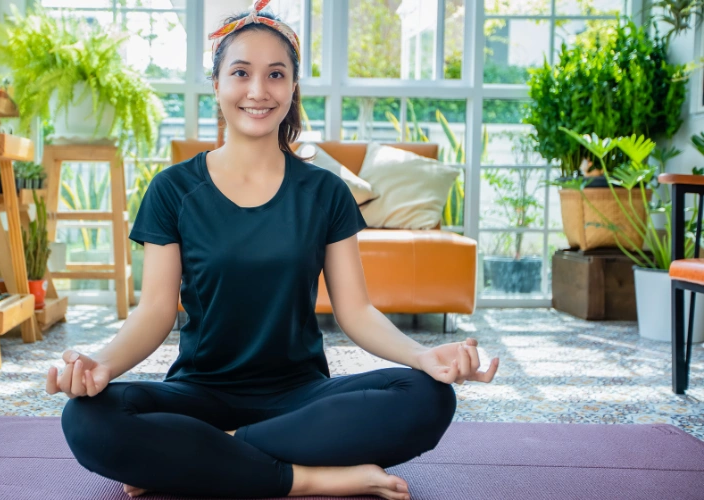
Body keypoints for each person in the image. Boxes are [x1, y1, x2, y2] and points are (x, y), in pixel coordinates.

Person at [47, 2, 499, 498]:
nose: (258, 91)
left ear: (292, 88)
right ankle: (302, 479)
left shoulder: (325, 192)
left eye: (276, 75)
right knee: (87, 417)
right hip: (199, 392)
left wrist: (425, 355)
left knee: (428, 398)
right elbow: (155, 311)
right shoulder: (173, 189)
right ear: (217, 83)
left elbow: (357, 311)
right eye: (241, 72)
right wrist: (102, 365)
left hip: (302, 397)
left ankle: (206, 456)